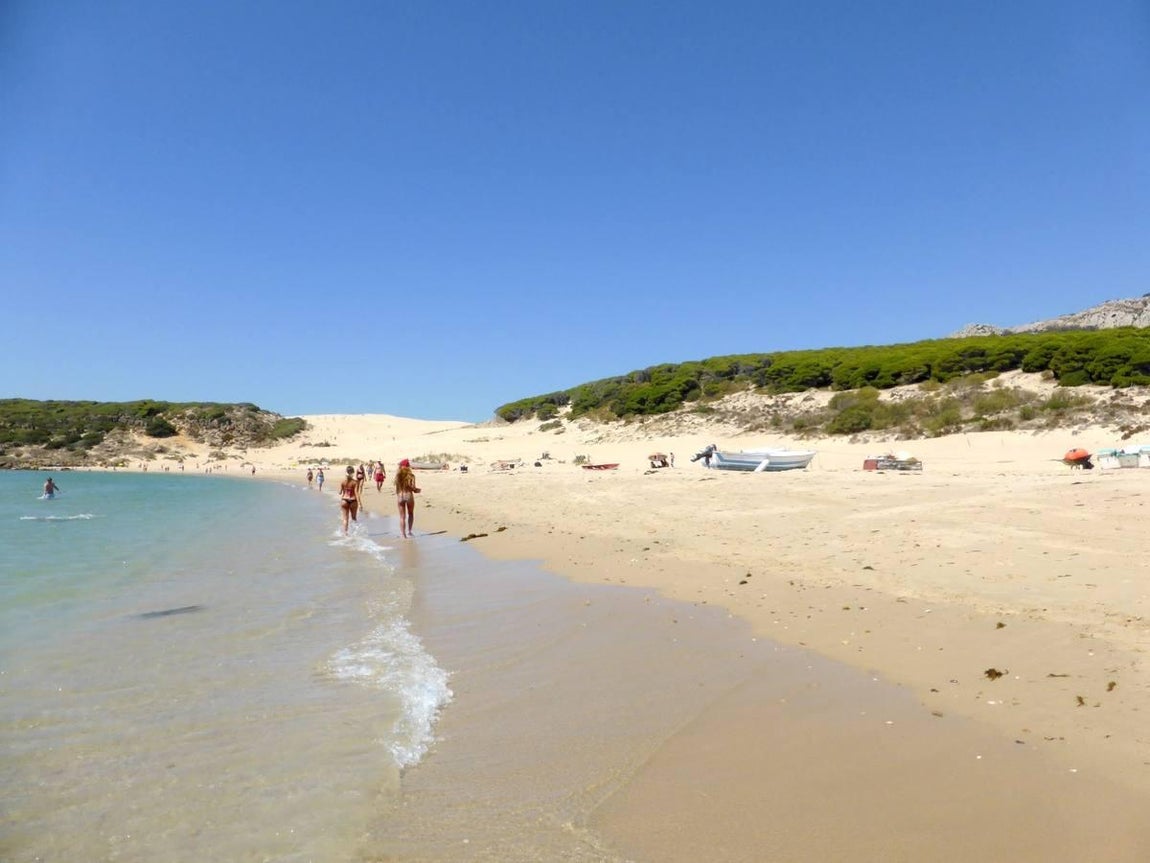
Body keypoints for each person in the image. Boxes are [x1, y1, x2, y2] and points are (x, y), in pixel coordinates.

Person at [394, 458, 421, 538]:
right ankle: (409, 531)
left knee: (402, 517)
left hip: (400, 496)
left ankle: (403, 534)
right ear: (408, 466)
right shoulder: (411, 476)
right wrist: (416, 490)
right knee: (411, 513)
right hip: (409, 496)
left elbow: (397, 488)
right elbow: (413, 487)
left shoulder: (398, 476)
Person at [338, 466, 360, 534]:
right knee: (354, 518)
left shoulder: (343, 482)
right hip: (353, 501)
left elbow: (340, 492)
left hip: (344, 500)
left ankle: (345, 533)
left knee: (345, 519)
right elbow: (356, 493)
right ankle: (355, 533)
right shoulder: (355, 482)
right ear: (353, 473)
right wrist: (360, 503)